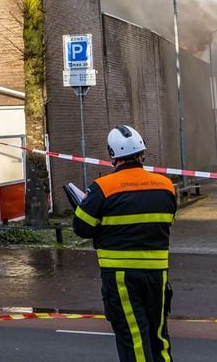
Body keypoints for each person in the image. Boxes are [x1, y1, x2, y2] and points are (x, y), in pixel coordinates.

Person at [72, 125, 177, 362]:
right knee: (159, 337)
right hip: (157, 274)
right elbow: (167, 220)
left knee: (134, 338)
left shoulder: (103, 188)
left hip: (121, 276)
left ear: (112, 155)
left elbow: (81, 228)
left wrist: (88, 207)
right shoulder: (166, 186)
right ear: (142, 153)